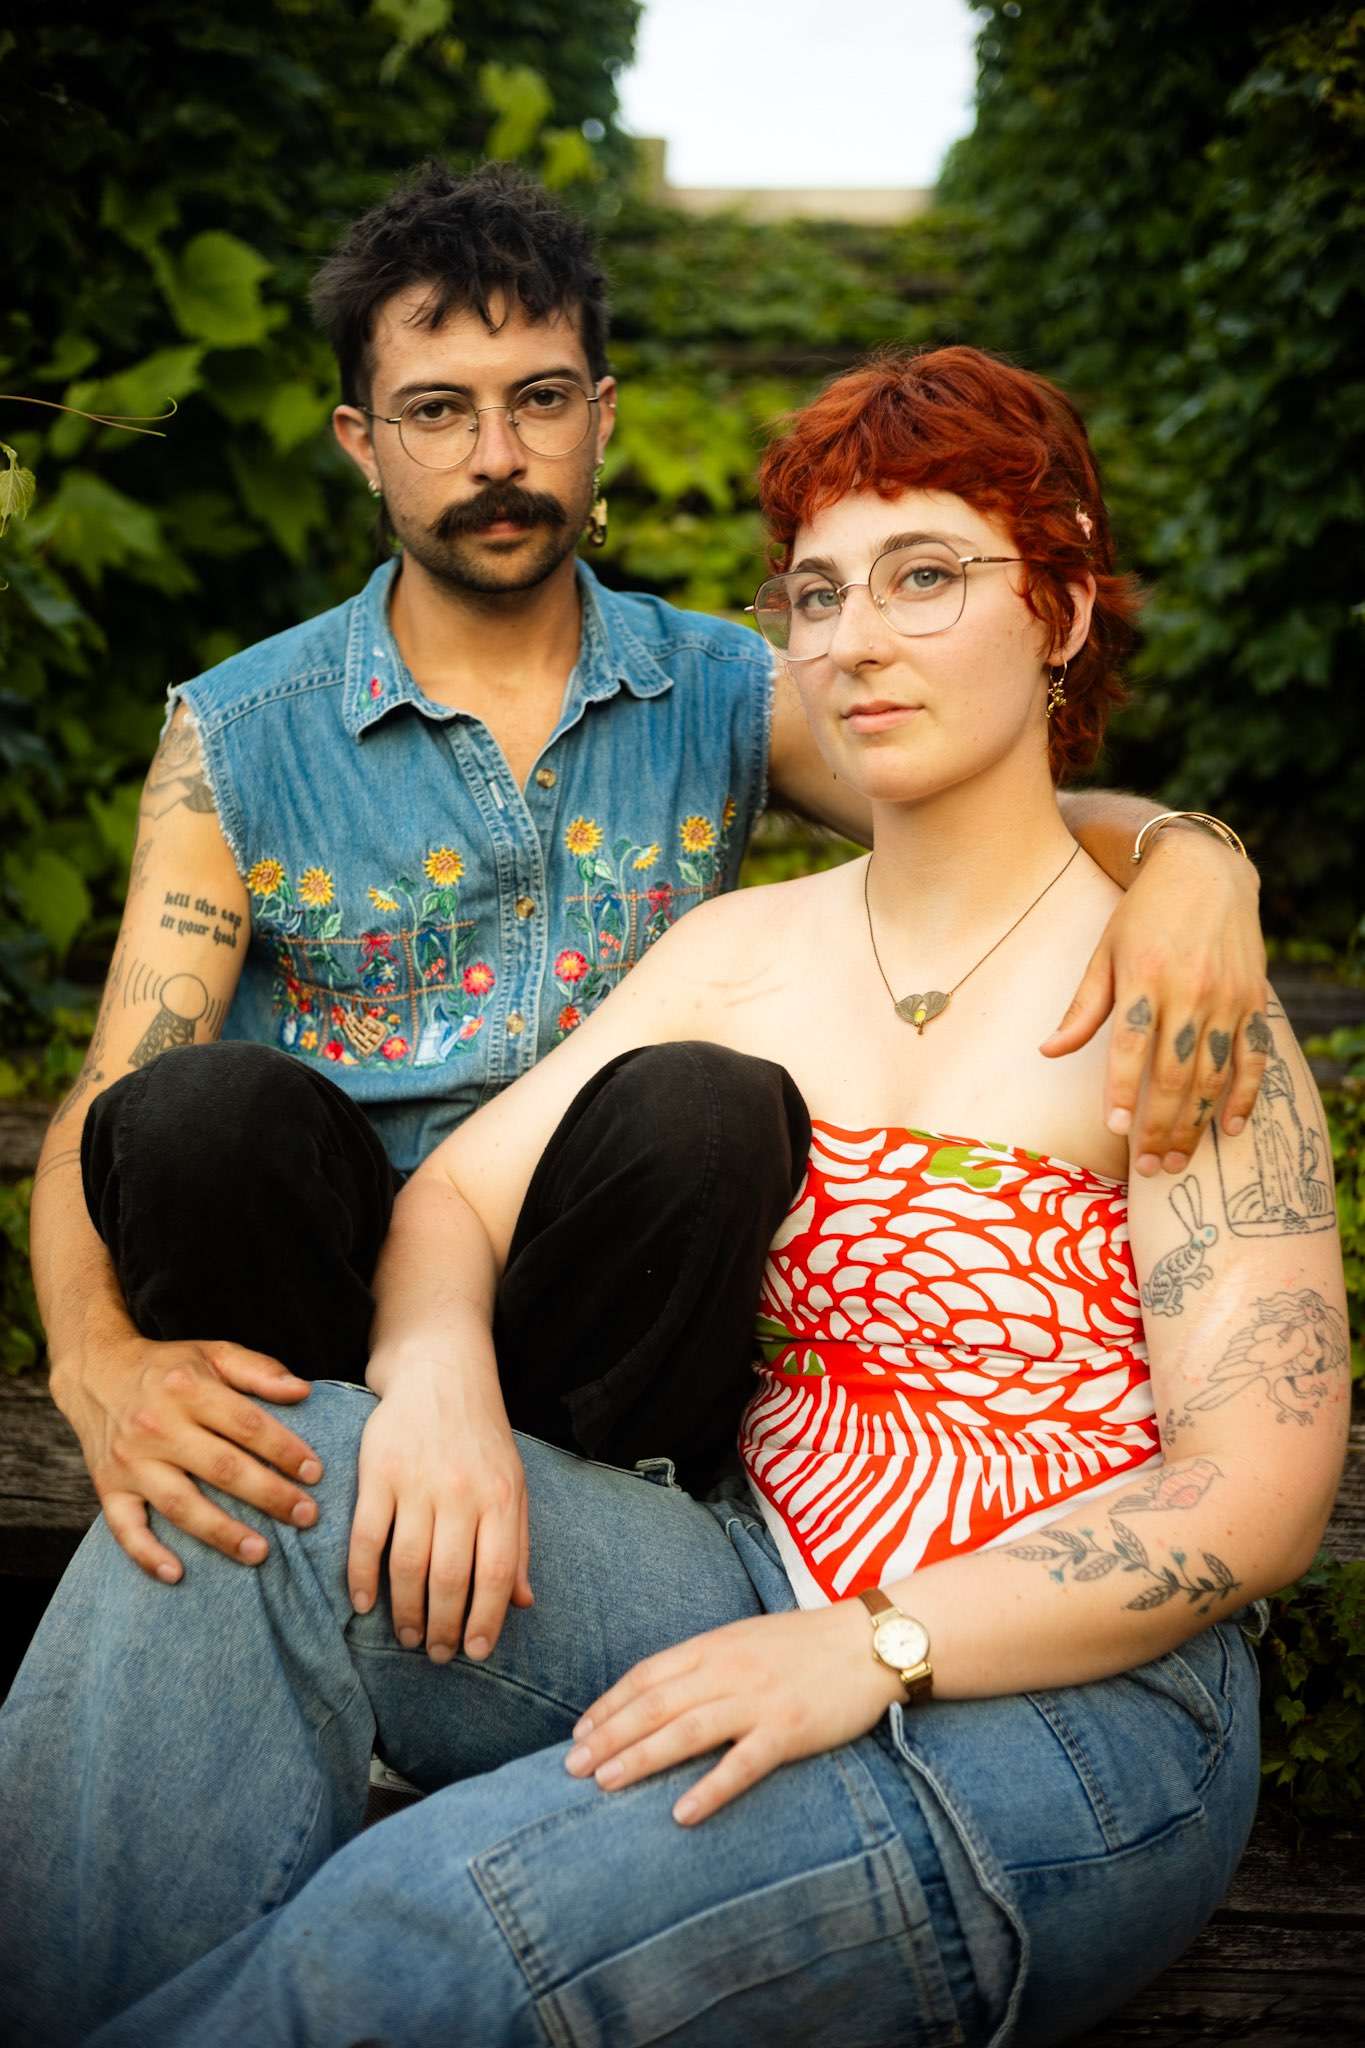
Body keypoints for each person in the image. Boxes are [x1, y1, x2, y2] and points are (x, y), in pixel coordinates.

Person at [2, 346, 1346, 2048]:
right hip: (738, 1575)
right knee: (244, 1490)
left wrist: (880, 1648)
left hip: (1072, 1714)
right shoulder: (743, 952)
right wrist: (429, 1383)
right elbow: (457, 1205)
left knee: (421, 1921)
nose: (855, 635)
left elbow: (1254, 1494)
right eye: (818, 592)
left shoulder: (1165, 994)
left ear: (1061, 607)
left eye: (927, 576)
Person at [29, 161, 1269, 1609]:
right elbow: (109, 1095)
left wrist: (1193, 856)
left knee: (703, 1094)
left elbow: (1008, 812)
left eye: (540, 399)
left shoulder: (727, 687)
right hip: (301, 1293)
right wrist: (93, 1355)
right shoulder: (240, 732)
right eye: (438, 411)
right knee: (191, 1111)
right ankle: (302, 1554)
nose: (497, 454)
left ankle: (579, 1590)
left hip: (599, 1315)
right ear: (362, 442)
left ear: (599, 419)